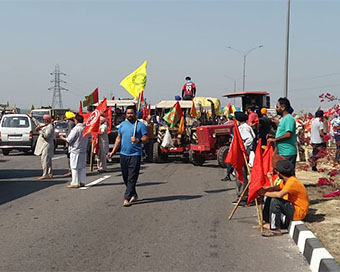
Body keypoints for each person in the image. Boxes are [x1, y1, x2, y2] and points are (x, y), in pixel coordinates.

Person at [109, 105, 148, 207]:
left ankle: (127, 198)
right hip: (123, 155)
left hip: (135, 155)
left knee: (132, 177)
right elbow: (118, 138)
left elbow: (146, 138)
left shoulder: (140, 125)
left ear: (135, 114)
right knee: (126, 177)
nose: (129, 115)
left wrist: (138, 140)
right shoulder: (122, 125)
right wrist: (113, 152)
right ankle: (133, 193)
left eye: (131, 113)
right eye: (128, 113)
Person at [258, 159, 309, 236]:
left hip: (298, 212)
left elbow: (279, 195)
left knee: (275, 200)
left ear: (280, 173)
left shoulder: (292, 182)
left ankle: (275, 229)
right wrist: (263, 189)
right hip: (293, 207)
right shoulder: (287, 181)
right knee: (270, 196)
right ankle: (269, 222)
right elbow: (275, 188)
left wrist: (264, 193)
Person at [59, 114, 90, 188]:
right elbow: (89, 137)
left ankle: (75, 182)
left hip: (75, 150)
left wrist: (62, 138)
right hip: (83, 149)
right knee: (82, 167)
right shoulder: (85, 128)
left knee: (74, 166)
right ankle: (82, 181)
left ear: (76, 120)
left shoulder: (76, 129)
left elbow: (69, 139)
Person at [267, 97, 297, 170]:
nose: (276, 109)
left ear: (283, 107)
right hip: (282, 152)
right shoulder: (283, 119)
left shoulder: (289, 119)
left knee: (288, 174)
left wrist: (275, 140)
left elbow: (288, 134)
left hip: (288, 152)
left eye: (277, 107)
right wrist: (273, 136)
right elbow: (283, 133)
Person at [232, 111, 255, 206]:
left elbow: (250, 139)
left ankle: (243, 197)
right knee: (240, 175)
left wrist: (242, 148)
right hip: (240, 155)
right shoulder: (242, 127)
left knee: (241, 176)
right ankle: (242, 195)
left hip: (242, 156)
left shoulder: (244, 128)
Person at [34, 115, 55, 180]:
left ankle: (45, 174)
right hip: (44, 144)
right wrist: (32, 117)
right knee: (48, 160)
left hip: (47, 144)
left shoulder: (50, 127)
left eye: (45, 119)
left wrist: (39, 131)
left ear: (48, 120)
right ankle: (50, 173)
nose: (44, 121)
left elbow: (46, 136)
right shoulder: (45, 125)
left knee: (45, 160)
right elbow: (38, 123)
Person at [63, 111, 76, 177]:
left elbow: (70, 134)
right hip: (71, 142)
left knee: (70, 158)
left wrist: (67, 143)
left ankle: (71, 171)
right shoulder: (71, 123)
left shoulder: (70, 124)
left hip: (70, 143)